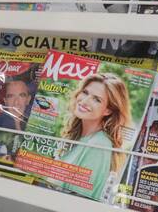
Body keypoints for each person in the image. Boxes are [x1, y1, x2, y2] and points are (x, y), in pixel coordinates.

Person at [57, 72, 132, 200]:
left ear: (108, 110)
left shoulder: (98, 145)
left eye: (96, 99)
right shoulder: (80, 136)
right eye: (85, 92)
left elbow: (76, 200)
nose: (84, 101)